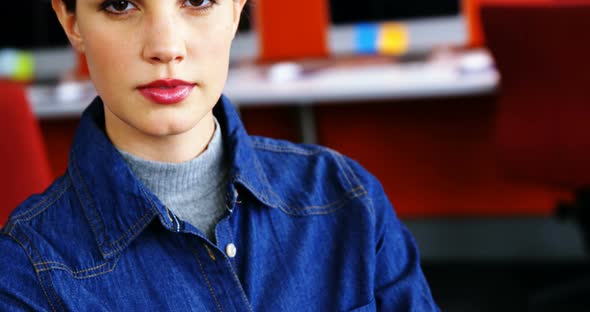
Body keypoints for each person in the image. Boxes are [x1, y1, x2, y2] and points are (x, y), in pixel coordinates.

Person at [0, 0, 439, 310]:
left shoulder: (349, 200)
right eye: (119, 5)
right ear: (70, 20)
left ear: (236, 9)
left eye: (198, 0)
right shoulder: (25, 269)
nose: (166, 47)